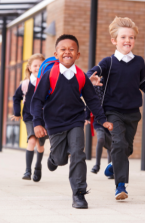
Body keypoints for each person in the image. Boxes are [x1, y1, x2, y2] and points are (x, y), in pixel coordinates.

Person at [87, 17, 145, 200]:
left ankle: (114, 166)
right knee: (120, 144)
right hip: (112, 111)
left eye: (131, 37)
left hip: (132, 112)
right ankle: (120, 186)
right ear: (114, 40)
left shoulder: (139, 62)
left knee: (127, 148)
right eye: (123, 37)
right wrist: (91, 77)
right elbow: (91, 71)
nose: (127, 40)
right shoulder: (108, 62)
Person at [31, 34, 113, 209]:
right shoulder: (49, 74)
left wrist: (102, 120)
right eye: (63, 49)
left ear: (78, 55)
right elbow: (37, 100)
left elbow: (92, 100)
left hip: (76, 120)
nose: (67, 52)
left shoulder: (81, 76)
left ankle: (79, 194)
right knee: (61, 159)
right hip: (54, 123)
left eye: (71, 49)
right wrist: (37, 123)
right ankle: (53, 158)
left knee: (78, 153)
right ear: (56, 53)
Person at [11, 54, 47, 182]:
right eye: (35, 65)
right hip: (29, 116)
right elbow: (16, 98)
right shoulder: (25, 84)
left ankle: (38, 166)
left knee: (40, 144)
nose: (38, 68)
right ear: (30, 68)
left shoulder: (47, 82)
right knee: (32, 139)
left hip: (44, 117)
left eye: (41, 65)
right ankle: (27, 170)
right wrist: (17, 112)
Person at [85, 79, 113, 179]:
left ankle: (111, 169)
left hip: (111, 120)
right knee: (101, 139)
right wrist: (87, 117)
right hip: (98, 120)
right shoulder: (93, 88)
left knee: (111, 146)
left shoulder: (111, 86)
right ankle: (97, 165)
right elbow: (90, 102)